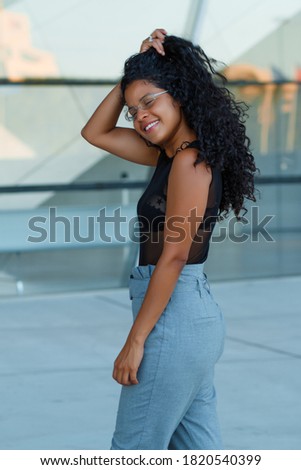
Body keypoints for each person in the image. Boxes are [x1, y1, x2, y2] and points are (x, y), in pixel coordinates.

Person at [81, 28, 257, 450]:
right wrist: (135, 75)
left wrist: (136, 340)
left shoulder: (189, 162)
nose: (140, 116)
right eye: (132, 110)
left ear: (178, 94)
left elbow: (174, 257)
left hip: (173, 320)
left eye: (150, 101)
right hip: (185, 319)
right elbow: (96, 133)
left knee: (133, 450)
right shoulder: (171, 154)